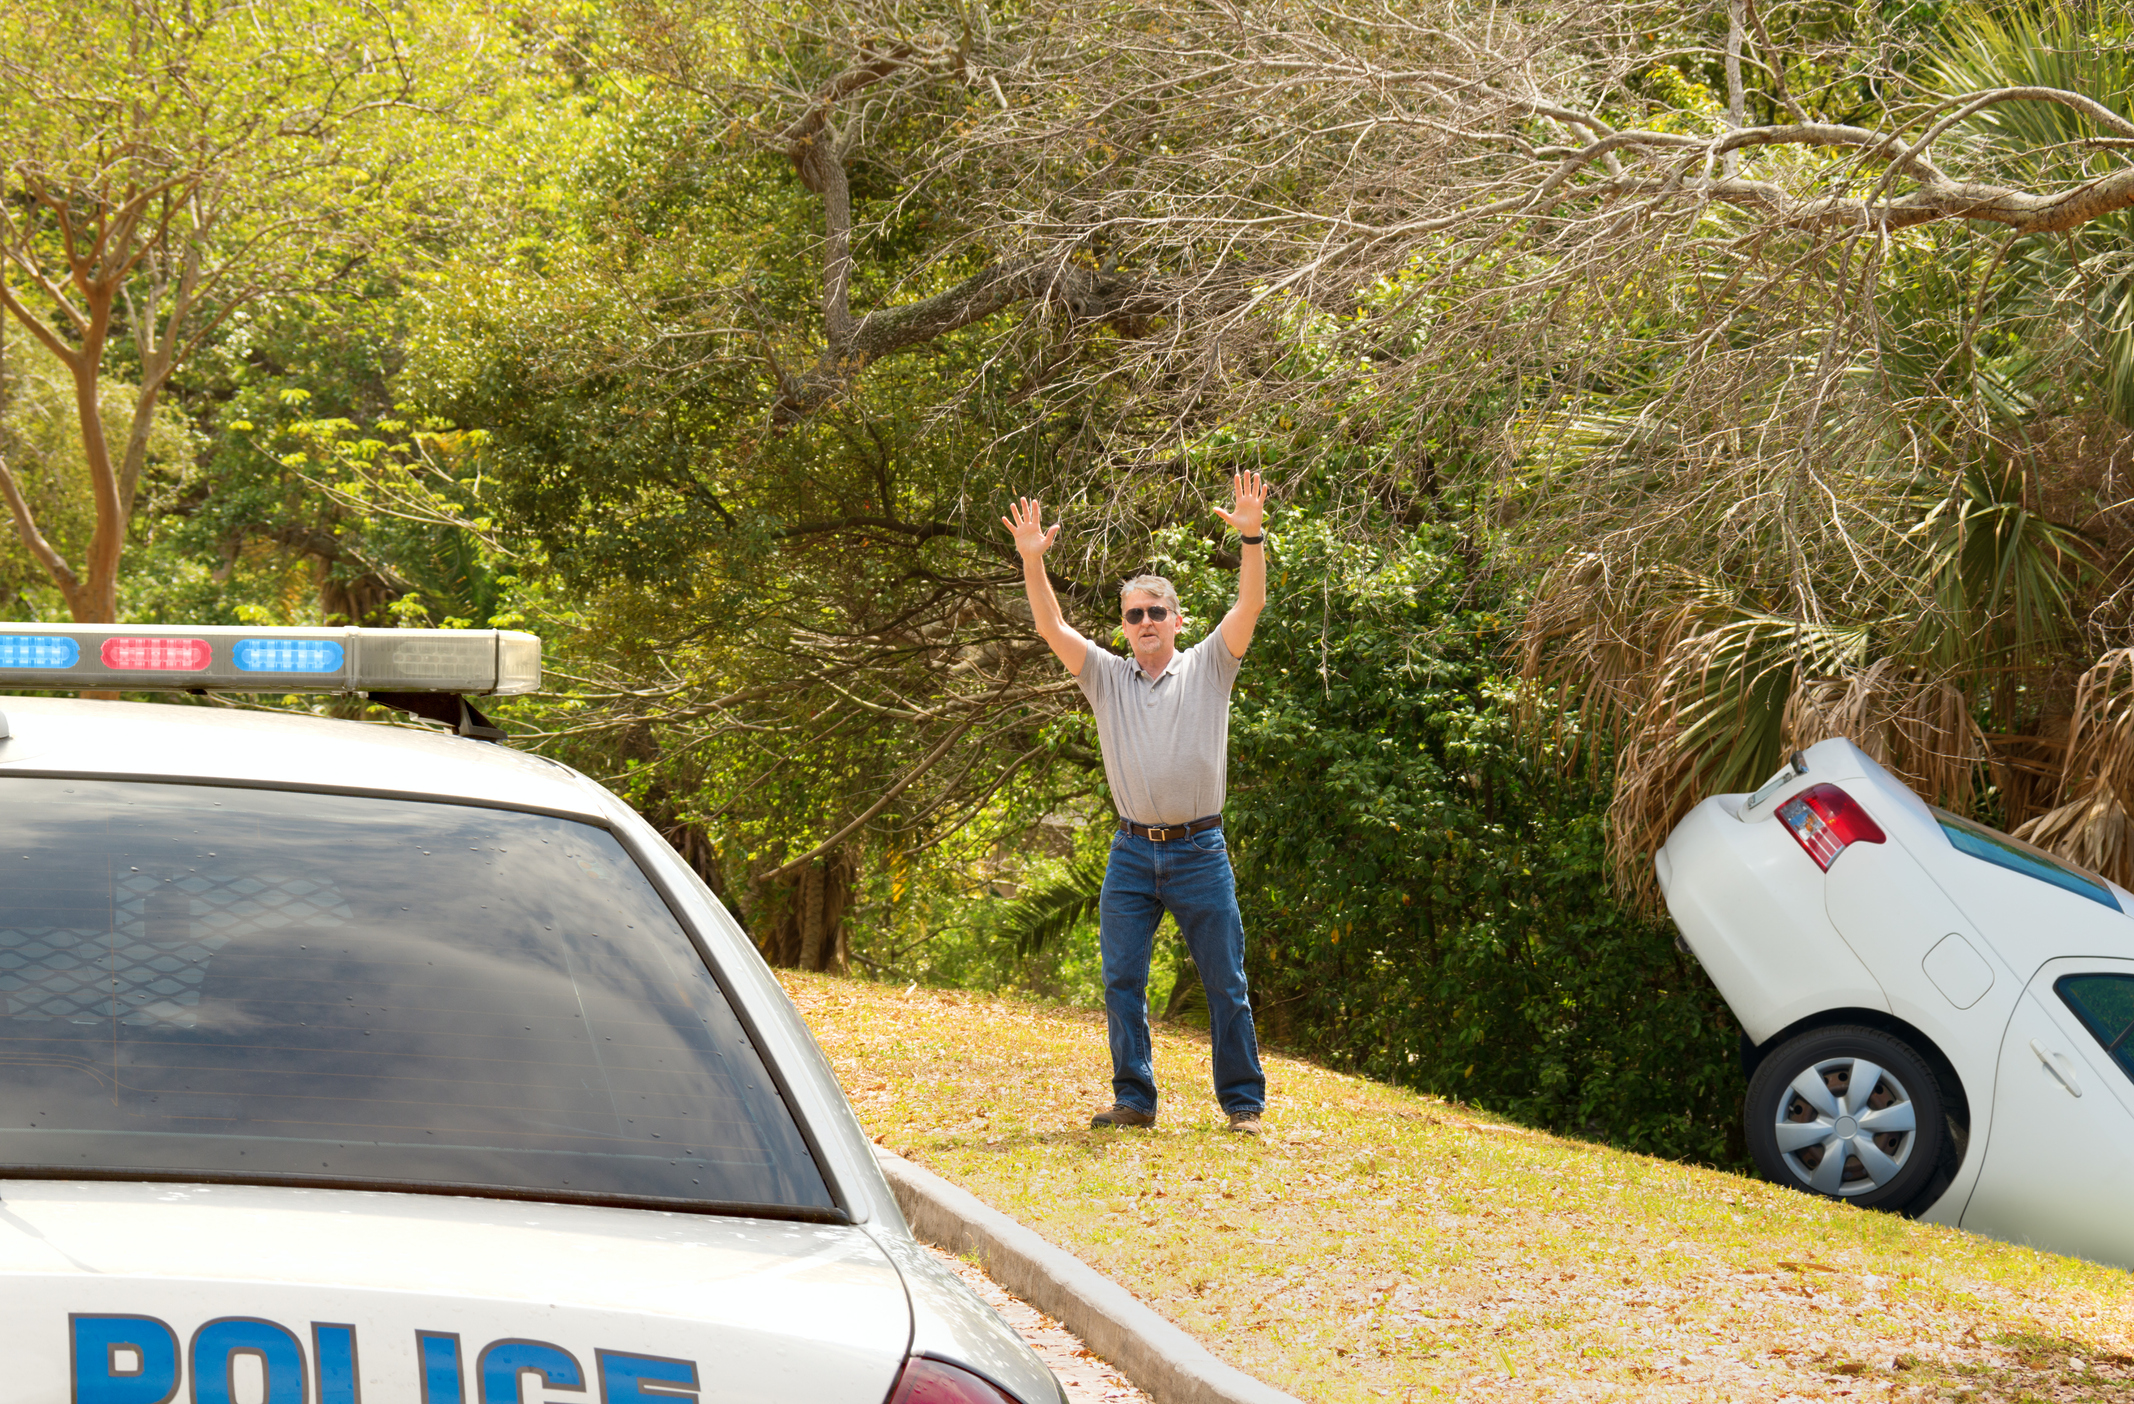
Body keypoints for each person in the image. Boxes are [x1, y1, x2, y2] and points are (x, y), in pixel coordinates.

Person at [1001, 473, 1270, 1134]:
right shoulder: (1104, 676)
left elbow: (1251, 604)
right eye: (1134, 614)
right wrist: (1034, 561)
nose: (1146, 622)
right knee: (1122, 983)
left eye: (1157, 612)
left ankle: (1242, 1104)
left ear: (1177, 621)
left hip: (1200, 851)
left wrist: (1252, 536)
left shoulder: (1211, 664)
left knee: (1225, 983)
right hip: (1131, 854)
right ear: (1123, 628)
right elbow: (1049, 623)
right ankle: (1135, 1101)